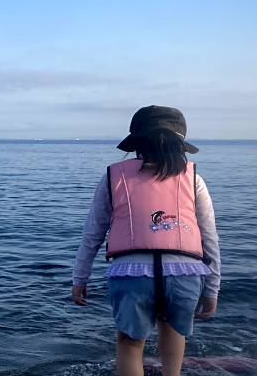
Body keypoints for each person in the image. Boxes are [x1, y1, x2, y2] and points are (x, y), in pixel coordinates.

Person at [71, 106, 220, 376]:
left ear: (137, 142)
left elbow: (92, 233)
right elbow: (210, 239)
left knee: (129, 342)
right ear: (180, 145)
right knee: (174, 334)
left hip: (131, 273)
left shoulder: (112, 178)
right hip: (184, 273)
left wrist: (80, 277)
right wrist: (212, 289)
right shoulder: (194, 179)